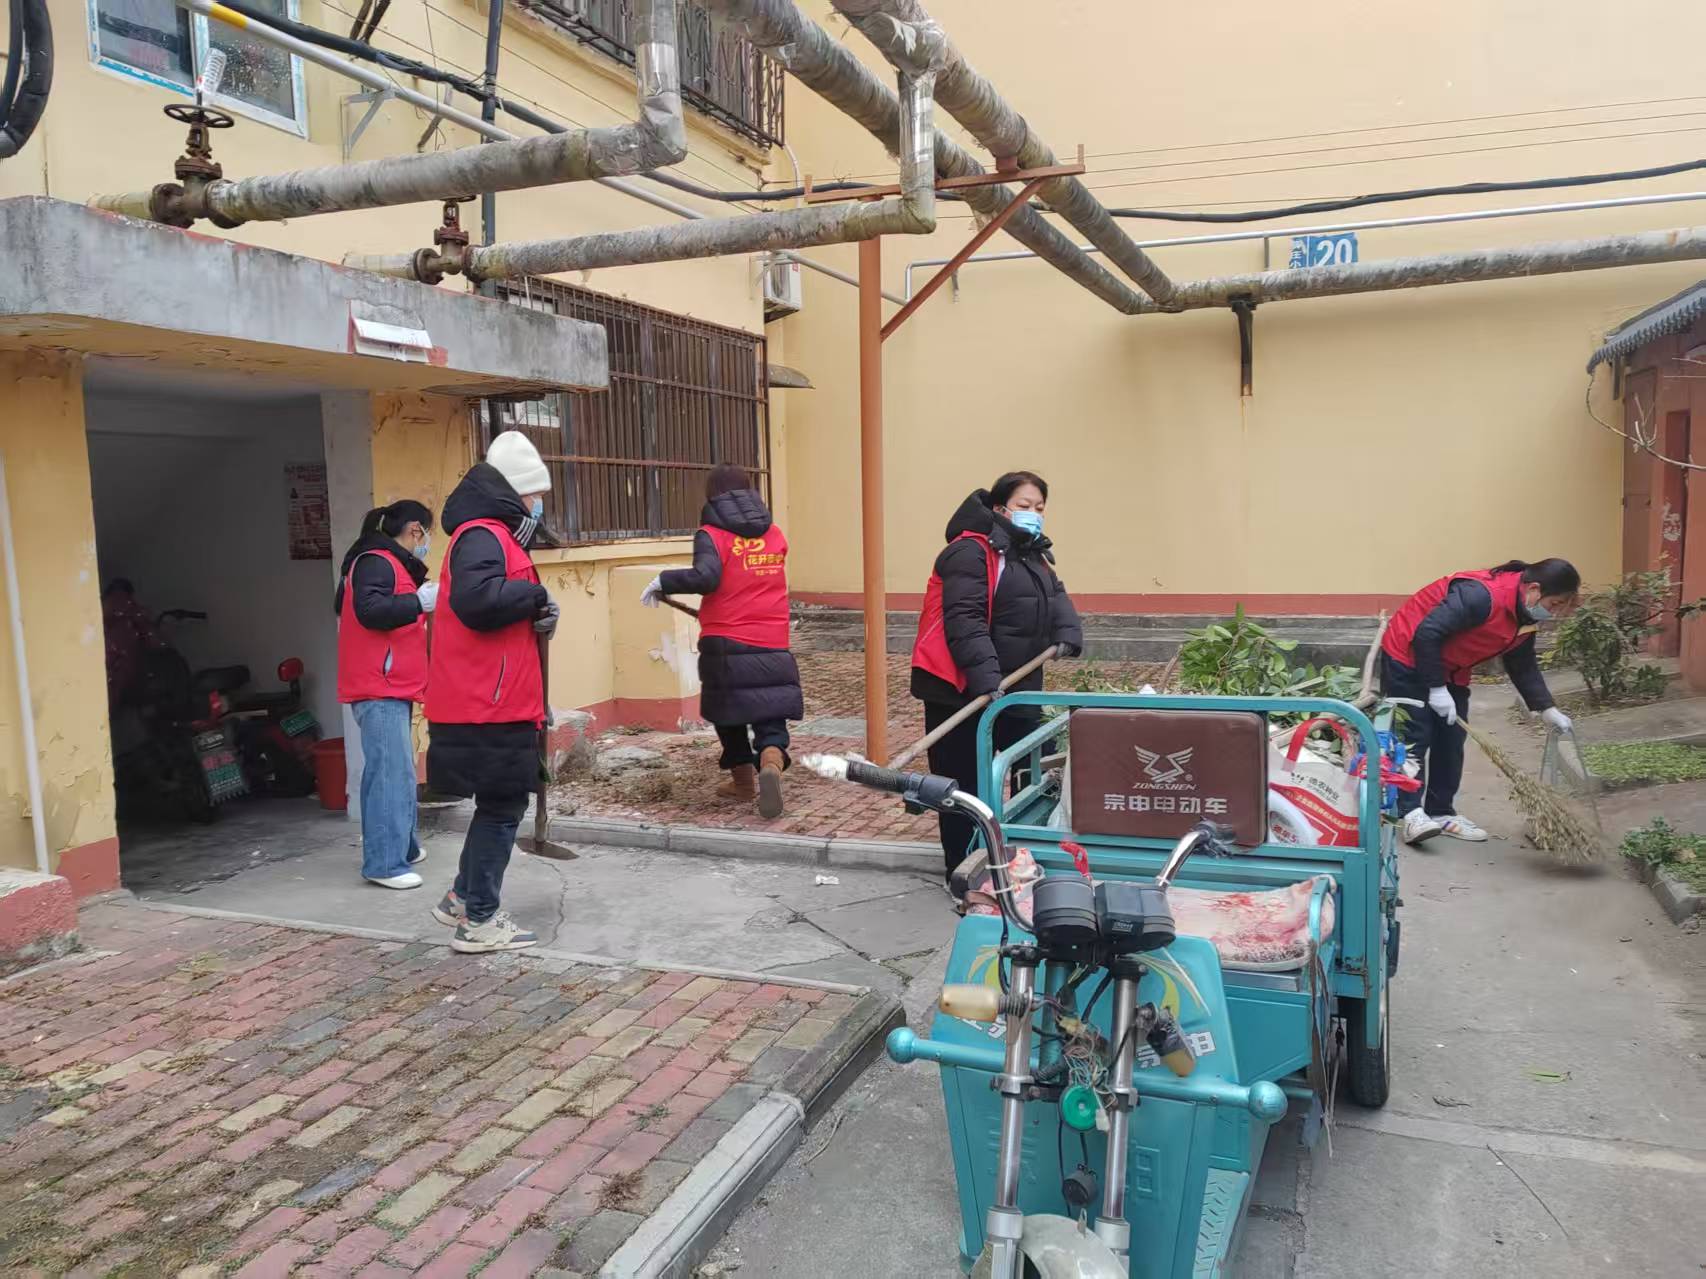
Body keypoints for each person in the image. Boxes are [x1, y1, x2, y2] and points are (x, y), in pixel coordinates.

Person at [910, 472, 1083, 885]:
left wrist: (1068, 631)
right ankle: (963, 874)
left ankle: (1020, 858)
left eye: (1039, 507)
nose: (1033, 514)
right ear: (999, 508)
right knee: (962, 789)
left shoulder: (1031, 553)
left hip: (1016, 688)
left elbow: (1055, 595)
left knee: (1032, 775)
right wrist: (987, 679)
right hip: (960, 689)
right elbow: (964, 619)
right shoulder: (969, 552)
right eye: (1024, 506)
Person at [425, 432, 560, 953]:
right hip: (487, 703)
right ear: (516, 491)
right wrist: (534, 594)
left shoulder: (492, 536)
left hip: (494, 698)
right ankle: (479, 919)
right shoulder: (484, 535)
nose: (538, 504)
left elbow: (498, 610)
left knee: (496, 804)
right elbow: (478, 601)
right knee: (503, 807)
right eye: (535, 495)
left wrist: (536, 610)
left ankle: (460, 898)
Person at [1381, 557, 1580, 846]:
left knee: (1451, 739)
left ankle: (1440, 812)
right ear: (1534, 589)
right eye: (1555, 604)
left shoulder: (1525, 615)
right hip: (1407, 657)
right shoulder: (1481, 596)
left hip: (1451, 666)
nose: (1554, 612)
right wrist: (1436, 688)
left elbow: (1522, 664)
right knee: (1414, 736)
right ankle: (1409, 813)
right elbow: (1427, 633)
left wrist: (1547, 708)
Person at [641, 464, 802, 818]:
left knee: (727, 710)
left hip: (727, 639)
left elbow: (707, 577)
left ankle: (743, 782)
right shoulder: (774, 533)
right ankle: (771, 760)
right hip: (773, 637)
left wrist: (664, 580)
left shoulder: (711, 534)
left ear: (712, 495)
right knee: (769, 708)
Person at [335, 500, 437, 890]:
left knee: (399, 771)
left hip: (391, 683)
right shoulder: (377, 561)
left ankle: (403, 847)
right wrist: (419, 602)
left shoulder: (383, 561)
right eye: (427, 533)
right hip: (380, 685)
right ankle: (384, 863)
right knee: (389, 774)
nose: (427, 541)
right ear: (415, 530)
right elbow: (371, 611)